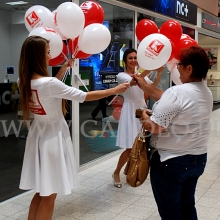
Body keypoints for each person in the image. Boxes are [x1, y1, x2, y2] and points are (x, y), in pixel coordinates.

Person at [18, 36, 129, 220]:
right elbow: (83, 96)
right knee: (49, 194)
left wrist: (62, 69)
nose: (49, 55)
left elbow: (52, 88)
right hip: (53, 140)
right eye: (47, 52)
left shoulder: (26, 80)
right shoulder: (48, 84)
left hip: (39, 137)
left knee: (41, 191)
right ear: (38, 56)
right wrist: (113, 91)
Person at [133, 46, 213, 220]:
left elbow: (155, 127)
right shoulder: (205, 92)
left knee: (171, 213)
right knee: (187, 206)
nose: (176, 68)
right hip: (197, 159)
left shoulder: (177, 92)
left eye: (180, 64)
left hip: (171, 161)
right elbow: (169, 100)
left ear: (189, 68)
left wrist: (145, 118)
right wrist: (144, 84)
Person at [113, 48, 163, 188]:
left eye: (135, 58)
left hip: (142, 110)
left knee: (141, 145)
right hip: (130, 111)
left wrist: (158, 73)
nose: (133, 60)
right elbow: (135, 81)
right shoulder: (121, 75)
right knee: (130, 147)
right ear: (125, 60)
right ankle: (116, 172)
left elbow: (150, 87)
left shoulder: (142, 74)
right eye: (130, 58)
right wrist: (152, 67)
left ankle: (131, 170)